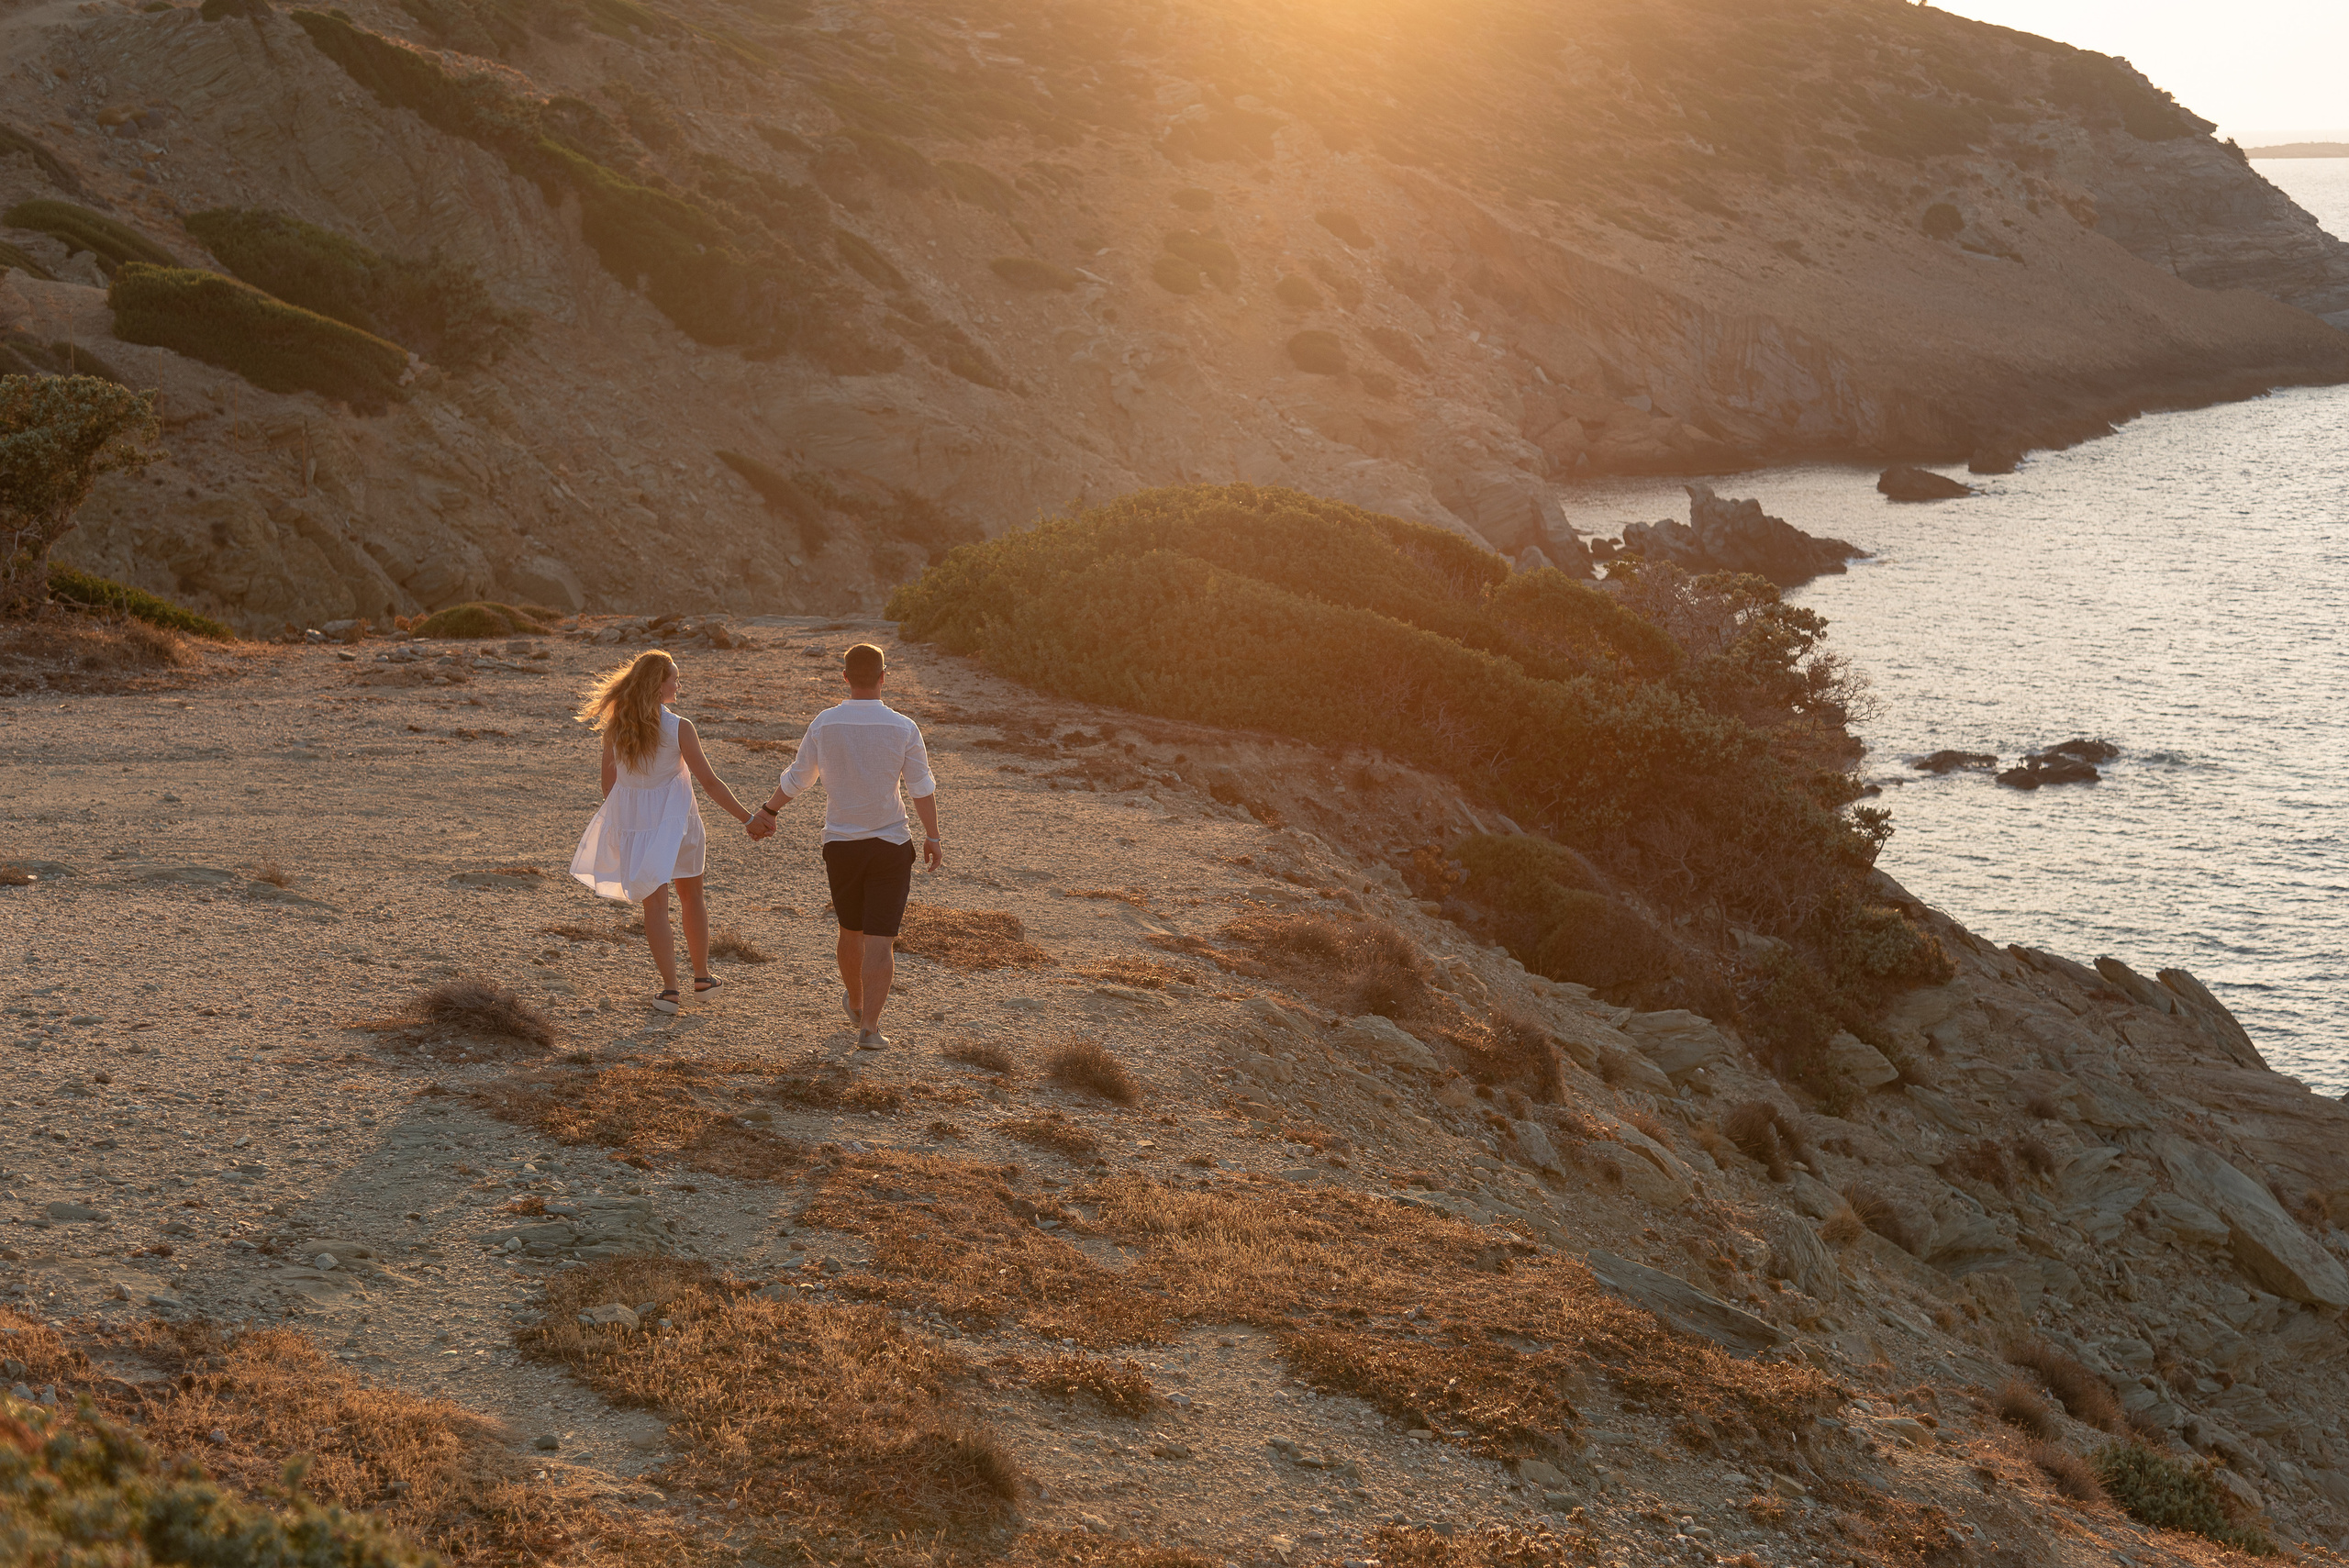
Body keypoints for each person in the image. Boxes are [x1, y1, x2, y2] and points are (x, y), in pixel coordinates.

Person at [746, 641, 940, 1050]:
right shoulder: (904, 727)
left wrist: (768, 810)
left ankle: (855, 1000)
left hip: (841, 844)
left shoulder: (825, 723)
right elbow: (920, 788)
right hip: (891, 843)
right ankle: (870, 1028)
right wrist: (933, 835)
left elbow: (798, 777)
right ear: (884, 677)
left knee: (850, 931)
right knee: (881, 939)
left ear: (846, 677)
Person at [570, 650, 760, 1013]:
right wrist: (748, 819)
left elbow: (608, 785)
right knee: (692, 896)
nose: (679, 685)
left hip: (637, 825)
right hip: (678, 821)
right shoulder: (679, 727)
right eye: (675, 679)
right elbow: (709, 782)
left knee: (654, 907)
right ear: (658, 686)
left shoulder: (617, 726)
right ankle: (702, 978)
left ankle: (670, 991)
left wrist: (626, 823)